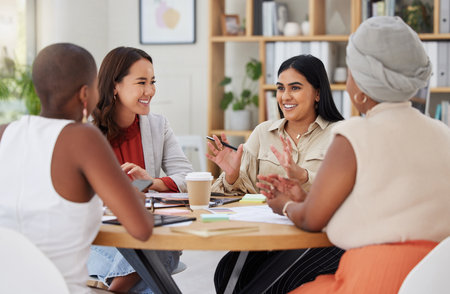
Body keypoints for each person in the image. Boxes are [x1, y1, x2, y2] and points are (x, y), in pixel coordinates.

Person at [258, 16, 450, 294]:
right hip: (435, 279)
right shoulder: (442, 133)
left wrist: (285, 205)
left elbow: (312, 220)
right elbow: (386, 205)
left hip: (374, 279)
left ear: (360, 88)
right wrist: (307, 198)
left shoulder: (353, 135)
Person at [0, 43, 154, 294]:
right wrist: (135, 196)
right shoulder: (83, 138)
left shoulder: (5, 134)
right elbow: (142, 229)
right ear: (85, 94)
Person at [209, 54, 345, 293]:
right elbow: (232, 193)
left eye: (295, 88)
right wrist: (231, 175)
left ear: (318, 93)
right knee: (227, 273)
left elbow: (346, 193)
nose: (285, 97)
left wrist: (303, 177)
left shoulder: (341, 134)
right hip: (271, 234)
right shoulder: (263, 133)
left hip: (321, 238)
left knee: (274, 284)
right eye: (280, 88)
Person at [88, 46, 193, 293]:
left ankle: (116, 289)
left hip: (145, 232)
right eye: (141, 82)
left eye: (152, 82)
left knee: (158, 245)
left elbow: (187, 176)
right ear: (115, 86)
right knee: (156, 260)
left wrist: (151, 182)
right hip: (102, 239)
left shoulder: (158, 126)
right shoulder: (87, 131)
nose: (150, 91)